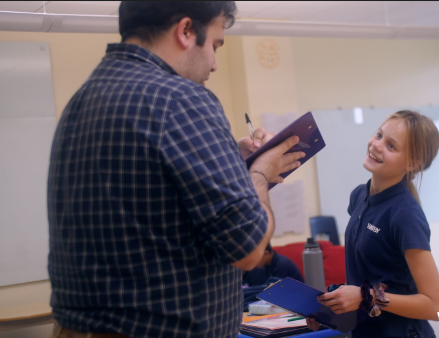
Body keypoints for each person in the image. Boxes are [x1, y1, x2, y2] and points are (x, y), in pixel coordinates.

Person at [47, 2, 306, 338]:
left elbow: (151, 201)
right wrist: (259, 172)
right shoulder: (181, 98)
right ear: (185, 31)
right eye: (214, 45)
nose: (214, 64)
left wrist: (230, 162)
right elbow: (249, 246)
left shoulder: (83, 99)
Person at [307, 110, 439, 338]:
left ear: (412, 163)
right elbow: (366, 279)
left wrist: (365, 296)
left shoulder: (405, 215)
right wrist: (332, 308)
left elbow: (434, 306)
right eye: (379, 135)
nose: (376, 145)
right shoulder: (359, 196)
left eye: (391, 146)